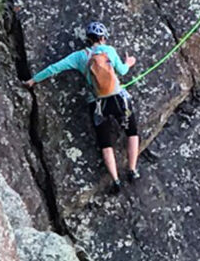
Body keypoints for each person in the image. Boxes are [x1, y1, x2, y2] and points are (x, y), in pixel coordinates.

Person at [24, 22, 140, 194]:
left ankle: (115, 180)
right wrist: (129, 62)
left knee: (105, 143)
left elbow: (54, 68)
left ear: (88, 39)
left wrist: (33, 80)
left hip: (98, 103)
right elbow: (122, 71)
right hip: (118, 100)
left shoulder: (79, 57)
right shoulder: (109, 51)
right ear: (103, 38)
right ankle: (132, 170)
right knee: (132, 132)